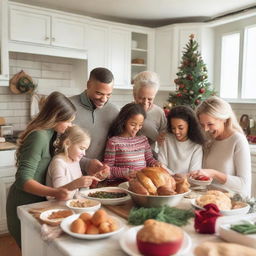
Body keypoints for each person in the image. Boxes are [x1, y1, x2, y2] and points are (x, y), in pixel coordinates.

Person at [6, 91, 76, 248]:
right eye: (68, 121)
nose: (70, 125)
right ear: (56, 116)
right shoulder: (39, 136)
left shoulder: (51, 134)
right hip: (23, 202)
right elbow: (23, 180)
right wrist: (55, 192)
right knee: (31, 249)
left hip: (37, 203)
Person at [189, 96, 251, 197]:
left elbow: (244, 185)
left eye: (210, 124)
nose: (205, 129)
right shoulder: (209, 139)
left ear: (224, 119)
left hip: (231, 203)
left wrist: (214, 174)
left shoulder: (238, 141)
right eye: (202, 124)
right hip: (209, 199)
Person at [70, 67, 119, 175]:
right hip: (69, 174)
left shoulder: (114, 111)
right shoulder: (68, 107)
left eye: (109, 94)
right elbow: (56, 146)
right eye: (99, 93)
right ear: (88, 85)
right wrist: (86, 164)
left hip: (100, 176)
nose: (104, 99)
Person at [103, 102, 161, 180]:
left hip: (142, 182)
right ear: (124, 121)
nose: (137, 128)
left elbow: (149, 159)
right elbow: (108, 169)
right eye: (133, 124)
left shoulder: (143, 140)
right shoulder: (114, 142)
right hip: (122, 183)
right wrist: (126, 172)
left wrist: (155, 163)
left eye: (140, 125)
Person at [46, 125, 106, 200]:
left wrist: (88, 183)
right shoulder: (58, 163)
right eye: (81, 148)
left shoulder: (74, 161)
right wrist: (76, 184)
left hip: (73, 204)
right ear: (67, 143)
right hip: (55, 206)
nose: (84, 154)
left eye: (85, 150)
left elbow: (78, 191)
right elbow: (58, 194)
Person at [158, 105, 205, 174]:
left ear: (189, 126)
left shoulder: (196, 146)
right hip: (167, 181)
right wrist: (173, 177)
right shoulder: (166, 139)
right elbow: (161, 164)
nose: (176, 132)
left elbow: (194, 172)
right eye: (173, 128)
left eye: (181, 128)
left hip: (187, 183)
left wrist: (180, 178)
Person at [133, 71, 167, 155]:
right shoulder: (127, 111)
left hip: (149, 157)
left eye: (150, 99)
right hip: (128, 156)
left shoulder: (159, 113)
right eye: (141, 98)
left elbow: (163, 141)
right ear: (134, 94)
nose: (145, 102)